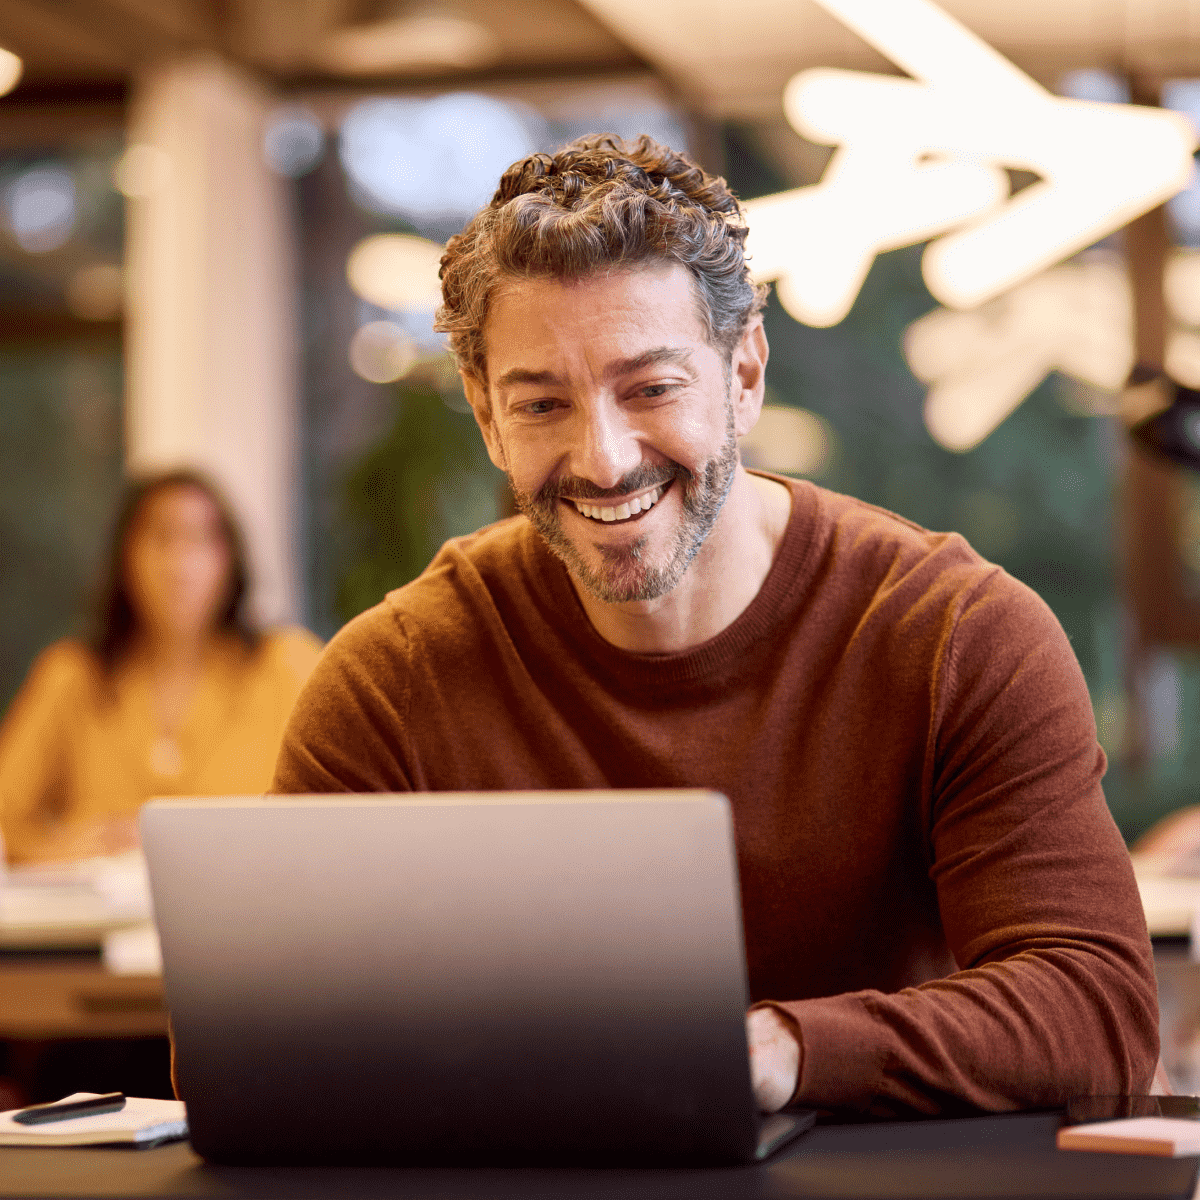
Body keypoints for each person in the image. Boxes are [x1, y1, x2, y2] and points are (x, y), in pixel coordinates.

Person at [271, 135, 1159, 1117]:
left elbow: (1098, 1017)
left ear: (743, 373)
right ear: (485, 412)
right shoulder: (392, 679)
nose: (603, 459)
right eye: (542, 404)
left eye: (651, 388)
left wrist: (786, 1049)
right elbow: (262, 1048)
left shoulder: (960, 635)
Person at [0, 468, 321, 864]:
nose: (179, 566)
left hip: (250, 911)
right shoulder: (73, 675)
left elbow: (340, 813)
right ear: (125, 556)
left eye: (201, 541)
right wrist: (57, 850)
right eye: (161, 539)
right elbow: (6, 819)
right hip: (97, 918)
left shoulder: (285, 665)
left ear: (231, 559)